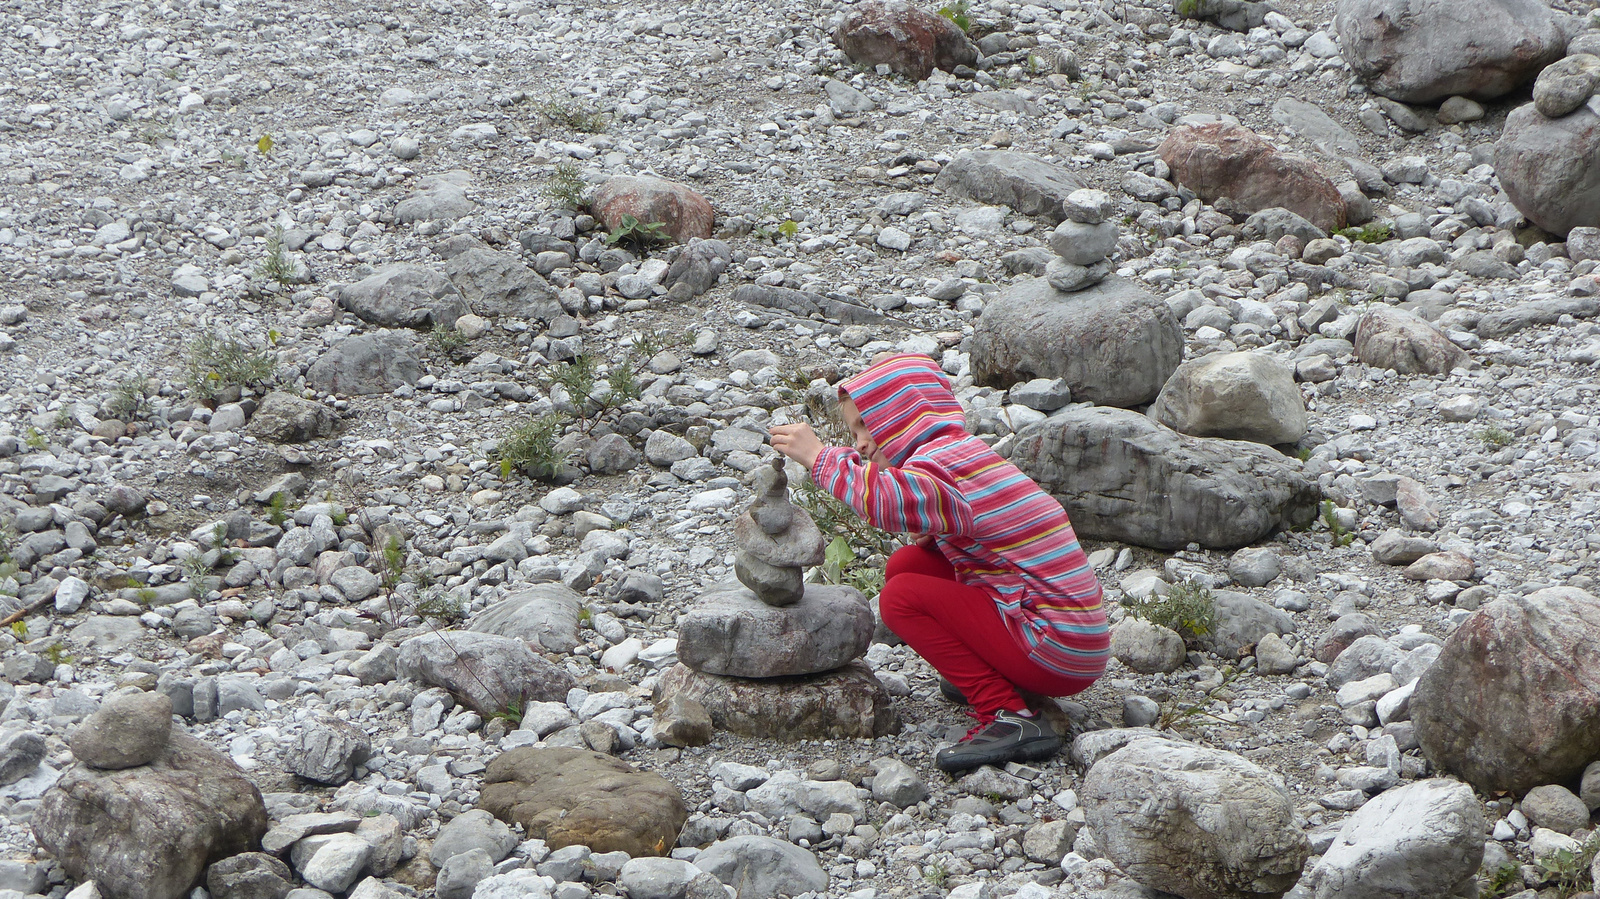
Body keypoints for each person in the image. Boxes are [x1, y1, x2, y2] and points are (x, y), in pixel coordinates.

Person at [770, 353, 1108, 772]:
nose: (858, 443)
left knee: (902, 597)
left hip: (1056, 648)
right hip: (1068, 637)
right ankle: (1002, 676)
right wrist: (941, 538)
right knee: (909, 564)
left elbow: (883, 502)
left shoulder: (942, 467)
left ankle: (1009, 716)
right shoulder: (960, 454)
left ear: (900, 418)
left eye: (864, 426)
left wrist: (820, 457)